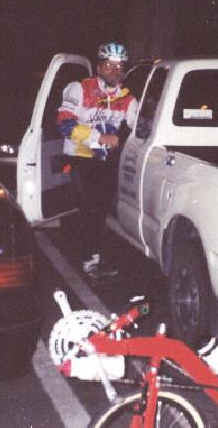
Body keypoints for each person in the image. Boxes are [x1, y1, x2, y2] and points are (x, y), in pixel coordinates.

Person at [56, 41, 138, 277]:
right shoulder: (79, 89)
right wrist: (100, 137)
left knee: (99, 210)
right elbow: (65, 123)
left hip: (107, 161)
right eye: (110, 65)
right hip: (81, 156)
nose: (115, 70)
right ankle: (90, 261)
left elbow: (134, 128)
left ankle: (89, 254)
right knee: (90, 209)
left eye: (120, 66)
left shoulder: (128, 99)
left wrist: (124, 136)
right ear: (99, 67)